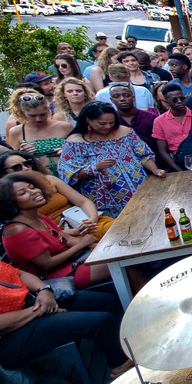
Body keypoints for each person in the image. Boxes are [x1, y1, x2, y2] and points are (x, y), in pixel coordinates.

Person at [0, 260, 134, 379]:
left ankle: (128, 345)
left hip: (32, 302)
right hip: (11, 336)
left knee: (108, 301)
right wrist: (41, 310)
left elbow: (20, 274)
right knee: (101, 322)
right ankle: (120, 367)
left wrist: (43, 289)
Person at [0, 171, 110, 287]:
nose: (34, 192)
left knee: (116, 254)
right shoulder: (17, 230)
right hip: (56, 276)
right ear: (9, 203)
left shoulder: (38, 217)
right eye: (23, 193)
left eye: (32, 187)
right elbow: (47, 264)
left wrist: (95, 247)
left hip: (72, 262)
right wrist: (82, 244)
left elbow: (66, 239)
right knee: (119, 263)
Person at [59, 101, 165, 217]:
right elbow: (69, 174)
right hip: (107, 200)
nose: (108, 126)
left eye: (111, 122)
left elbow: (143, 154)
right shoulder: (75, 143)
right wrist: (95, 168)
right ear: (88, 121)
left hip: (140, 190)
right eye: (102, 124)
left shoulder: (125, 132)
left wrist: (155, 170)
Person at [0, 151, 114, 240]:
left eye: (27, 163)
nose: (25, 168)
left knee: (118, 227)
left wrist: (92, 219)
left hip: (85, 221)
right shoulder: (10, 197)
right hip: (63, 235)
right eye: (16, 167)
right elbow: (38, 233)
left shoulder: (49, 180)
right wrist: (75, 231)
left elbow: (82, 201)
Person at [5, 89, 72, 176]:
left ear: (48, 109)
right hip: (38, 177)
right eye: (32, 116)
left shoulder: (65, 126)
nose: (38, 119)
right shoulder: (16, 131)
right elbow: (14, 163)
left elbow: (81, 151)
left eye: (42, 114)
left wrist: (67, 151)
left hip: (67, 174)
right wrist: (22, 154)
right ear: (23, 112)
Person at [152, 84, 192, 172]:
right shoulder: (159, 121)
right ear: (167, 102)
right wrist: (179, 171)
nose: (179, 101)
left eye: (182, 98)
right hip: (175, 164)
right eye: (174, 100)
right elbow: (162, 151)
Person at [109, 83, 159, 158]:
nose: (122, 99)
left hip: (154, 160)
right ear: (111, 100)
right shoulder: (110, 121)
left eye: (126, 95)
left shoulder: (151, 117)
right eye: (116, 96)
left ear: (133, 97)